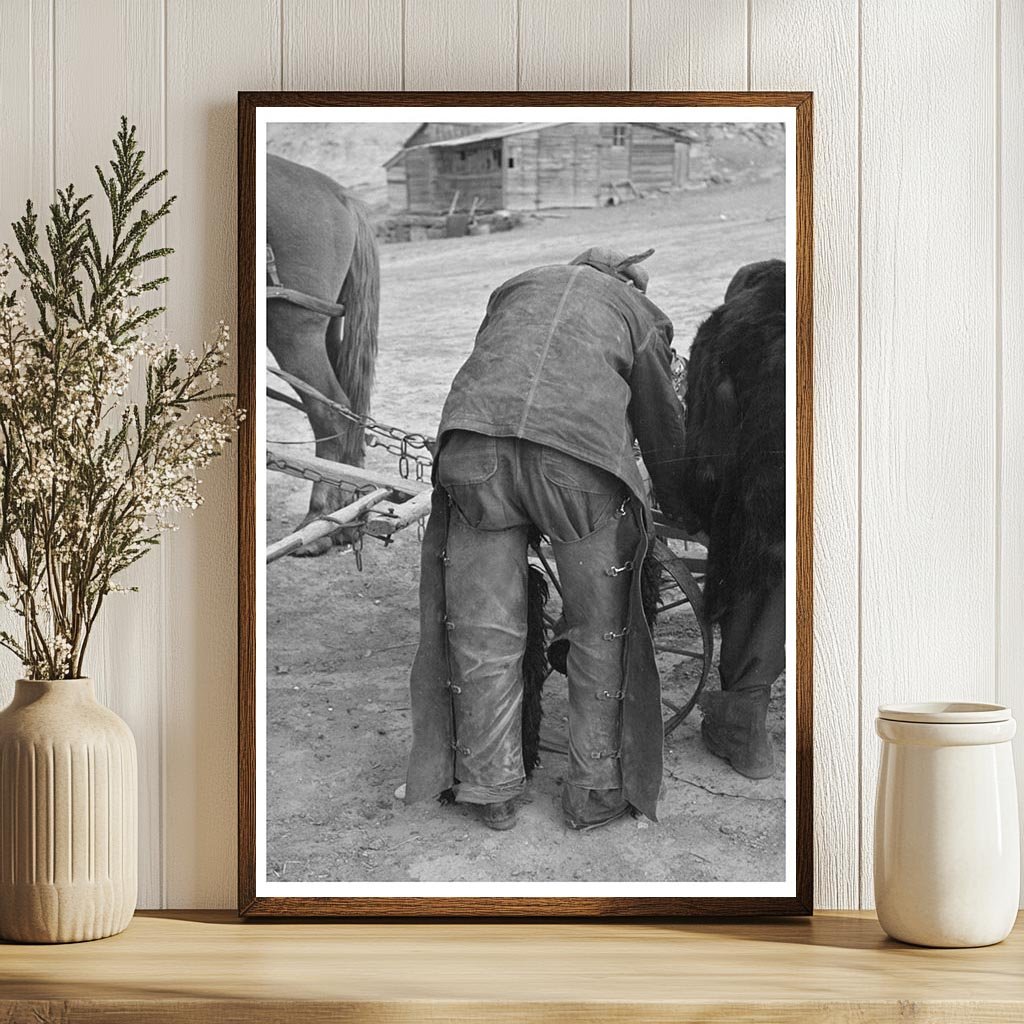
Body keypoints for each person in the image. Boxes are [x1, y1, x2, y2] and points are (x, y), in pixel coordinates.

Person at [404, 247, 698, 832]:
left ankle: (489, 787)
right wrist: (682, 503)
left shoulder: (517, 286)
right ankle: (593, 790)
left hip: (474, 454)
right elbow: (660, 420)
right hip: (577, 465)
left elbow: (494, 367)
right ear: (628, 282)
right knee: (600, 630)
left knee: (485, 631)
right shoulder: (637, 312)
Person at [682, 259, 786, 779]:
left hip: (761, 484)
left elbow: (705, 445)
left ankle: (744, 729)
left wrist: (703, 511)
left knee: (751, 564)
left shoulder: (722, 329)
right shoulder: (829, 315)